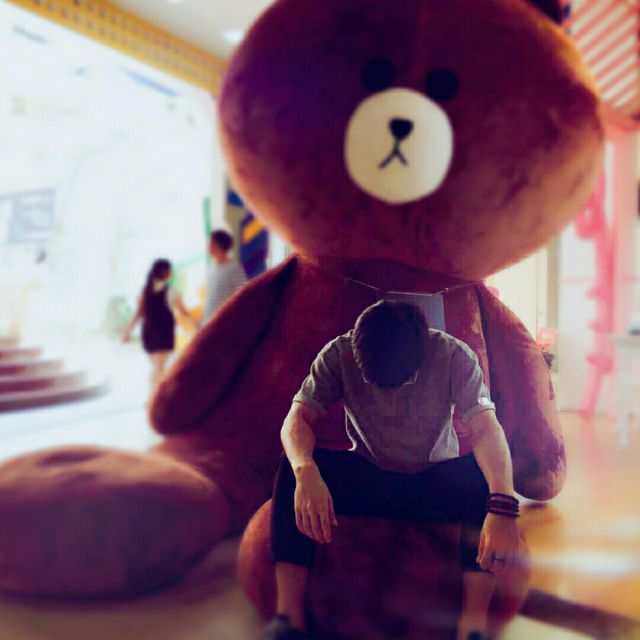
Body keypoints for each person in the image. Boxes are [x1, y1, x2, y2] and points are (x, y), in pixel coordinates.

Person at [263, 301, 521, 640]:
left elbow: (487, 428)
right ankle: (289, 619)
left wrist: (503, 504)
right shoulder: (338, 353)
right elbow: (297, 419)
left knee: (480, 479)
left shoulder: (454, 355)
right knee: (292, 467)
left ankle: (472, 627)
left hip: (433, 480)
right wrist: (305, 470)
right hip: (371, 475)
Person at [122, 258, 197, 394]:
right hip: (164, 334)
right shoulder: (172, 291)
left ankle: (154, 397)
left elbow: (138, 314)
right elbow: (183, 311)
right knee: (159, 369)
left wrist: (127, 332)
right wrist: (196, 324)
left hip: (149, 335)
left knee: (157, 368)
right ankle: (155, 398)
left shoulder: (145, 291)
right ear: (165, 272)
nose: (171, 273)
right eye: (170, 271)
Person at [202, 229, 248, 324]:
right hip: (208, 322)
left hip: (223, 322)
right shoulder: (211, 268)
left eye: (209, 243)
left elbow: (244, 296)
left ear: (216, 245)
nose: (207, 246)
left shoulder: (234, 268)